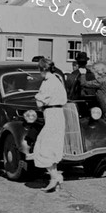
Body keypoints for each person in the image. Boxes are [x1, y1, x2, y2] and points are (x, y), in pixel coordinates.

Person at [32, 57, 67, 192]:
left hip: (52, 114)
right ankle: (55, 177)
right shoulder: (56, 80)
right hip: (58, 114)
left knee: (43, 147)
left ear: (42, 69)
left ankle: (54, 177)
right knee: (52, 147)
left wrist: (37, 98)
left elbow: (40, 103)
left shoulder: (47, 82)